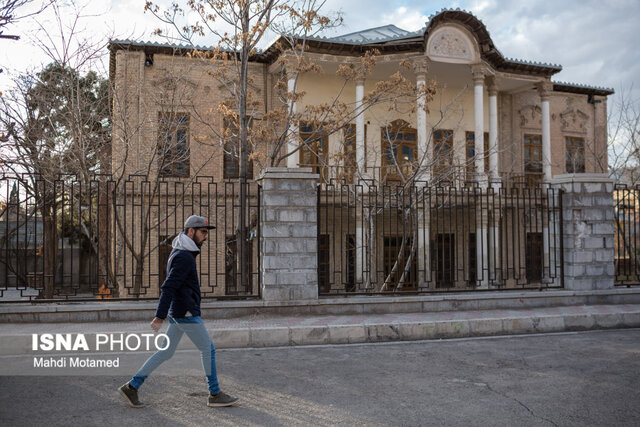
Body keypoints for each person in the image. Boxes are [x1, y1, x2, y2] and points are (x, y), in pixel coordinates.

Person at [118, 215, 238, 408]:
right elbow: (168, 287)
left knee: (165, 352)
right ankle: (215, 393)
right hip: (186, 314)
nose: (206, 237)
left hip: (179, 312)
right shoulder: (183, 256)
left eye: (206, 232)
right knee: (208, 349)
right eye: (203, 232)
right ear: (191, 231)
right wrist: (159, 316)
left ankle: (132, 387)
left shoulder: (181, 252)